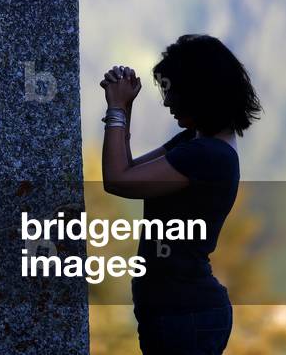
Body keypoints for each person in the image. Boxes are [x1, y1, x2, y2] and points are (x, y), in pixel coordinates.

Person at [100, 33, 263, 355]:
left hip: (185, 315)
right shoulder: (193, 143)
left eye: (172, 91)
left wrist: (117, 108)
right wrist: (125, 109)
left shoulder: (207, 155)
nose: (166, 102)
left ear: (198, 93)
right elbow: (128, 169)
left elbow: (117, 180)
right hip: (177, 313)